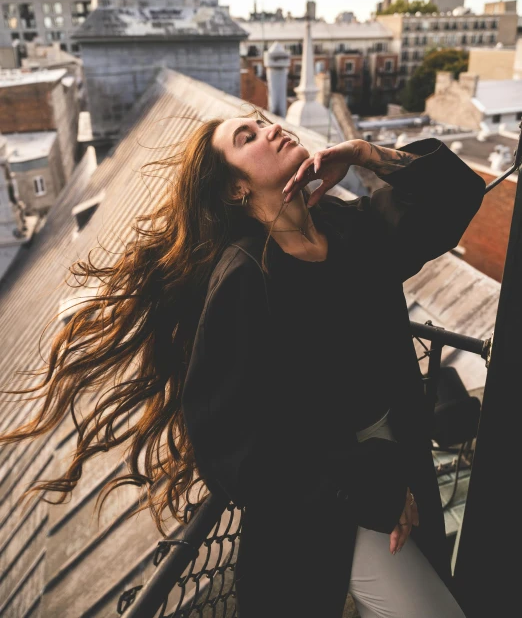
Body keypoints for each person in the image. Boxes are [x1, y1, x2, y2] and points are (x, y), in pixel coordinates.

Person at [0, 106, 485, 617]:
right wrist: (363, 483)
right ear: (236, 189)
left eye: (263, 121)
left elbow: (454, 197)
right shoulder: (244, 276)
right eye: (247, 136)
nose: (271, 128)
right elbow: (233, 445)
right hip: (330, 505)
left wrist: (364, 153)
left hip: (399, 456)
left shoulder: (343, 227)